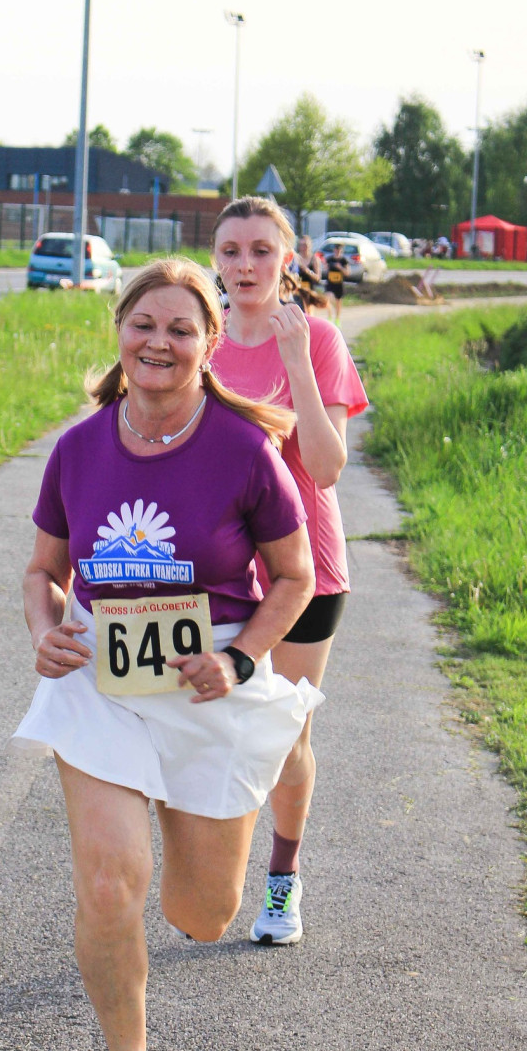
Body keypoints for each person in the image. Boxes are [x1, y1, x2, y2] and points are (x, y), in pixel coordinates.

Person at [14, 257, 320, 1051]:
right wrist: (45, 628)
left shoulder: (243, 449)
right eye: (143, 324)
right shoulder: (78, 448)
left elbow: (295, 577)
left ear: (209, 344)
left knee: (202, 915)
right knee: (110, 880)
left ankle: (246, 832)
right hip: (100, 686)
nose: (159, 342)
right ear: (119, 330)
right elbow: (42, 571)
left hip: (206, 686)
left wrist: (239, 657)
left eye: (181, 329)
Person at [211, 195, 369, 946]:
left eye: (260, 251)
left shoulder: (320, 338)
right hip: (219, 568)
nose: (245, 266)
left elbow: (328, 468)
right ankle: (213, 880)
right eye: (231, 251)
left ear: (288, 257)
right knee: (219, 726)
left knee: (284, 735)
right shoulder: (201, 338)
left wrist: (296, 359)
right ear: (214, 259)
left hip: (306, 569)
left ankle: (282, 878)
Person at [323, 241, 349, 325]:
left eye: (339, 250)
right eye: (336, 249)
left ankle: (337, 319)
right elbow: (325, 269)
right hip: (330, 283)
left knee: (338, 302)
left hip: (339, 283)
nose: (337, 251)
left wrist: (340, 267)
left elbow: (347, 273)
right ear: (334, 250)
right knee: (328, 298)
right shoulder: (330, 259)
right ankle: (330, 316)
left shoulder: (343, 260)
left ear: (341, 251)